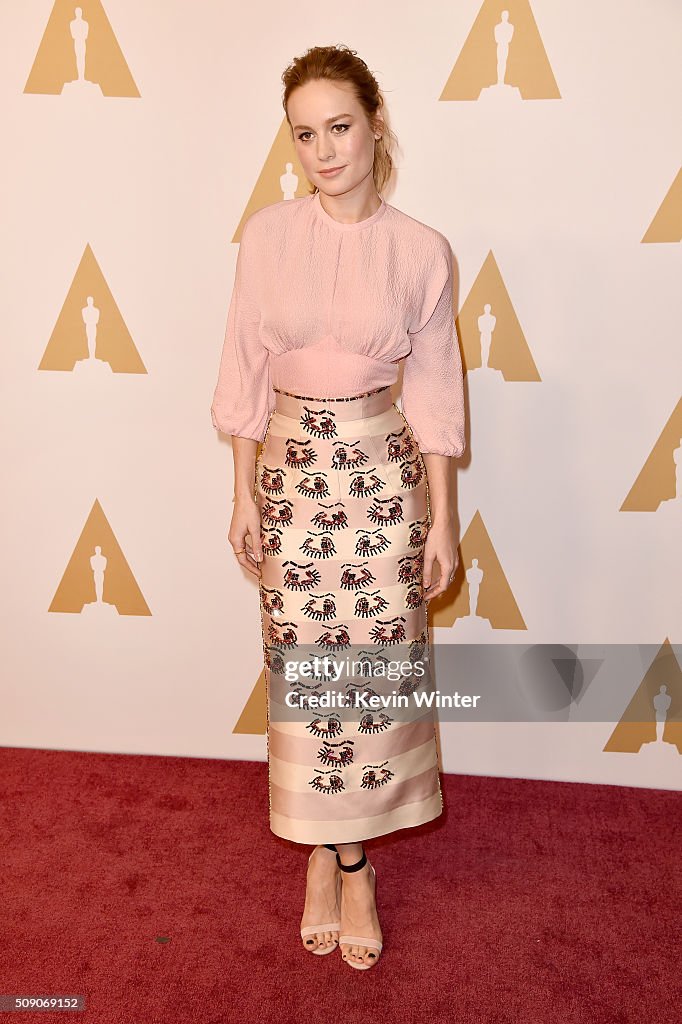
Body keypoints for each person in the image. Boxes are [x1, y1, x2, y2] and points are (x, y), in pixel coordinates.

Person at [210, 44, 466, 970]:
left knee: (372, 683)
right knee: (307, 676)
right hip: (290, 476)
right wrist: (241, 489)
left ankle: (343, 860)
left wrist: (441, 520)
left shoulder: (420, 251)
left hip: (381, 480)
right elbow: (242, 366)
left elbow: (436, 395)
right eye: (305, 134)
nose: (324, 151)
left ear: (376, 124)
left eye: (341, 127)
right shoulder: (266, 237)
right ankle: (335, 858)